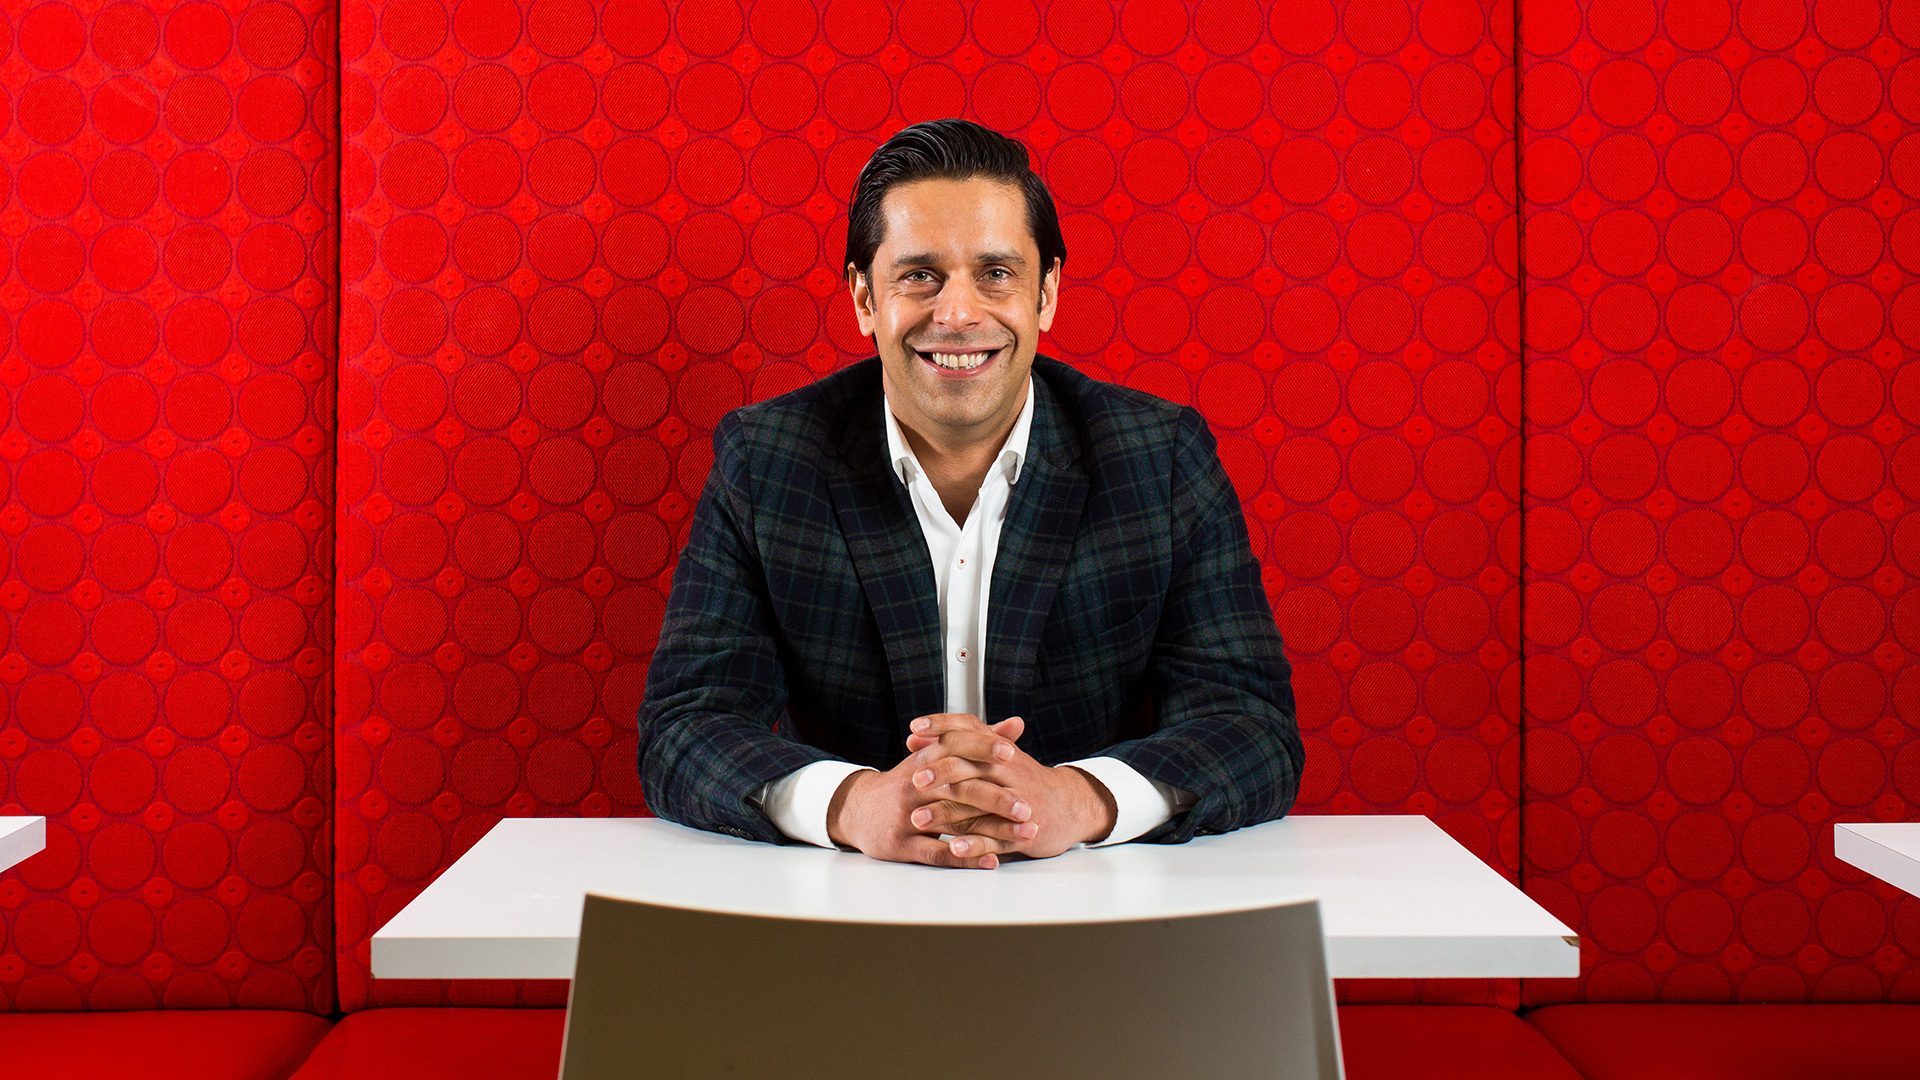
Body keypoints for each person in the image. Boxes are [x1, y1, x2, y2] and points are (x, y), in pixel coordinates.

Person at [637, 119, 1301, 869]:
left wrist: (1075, 800)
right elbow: (684, 726)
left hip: (1096, 915)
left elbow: (1253, 726)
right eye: (919, 274)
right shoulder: (767, 461)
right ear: (863, 298)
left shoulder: (1161, 458)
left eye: (995, 273)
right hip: (846, 915)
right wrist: (857, 805)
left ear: (1046, 293)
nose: (956, 313)